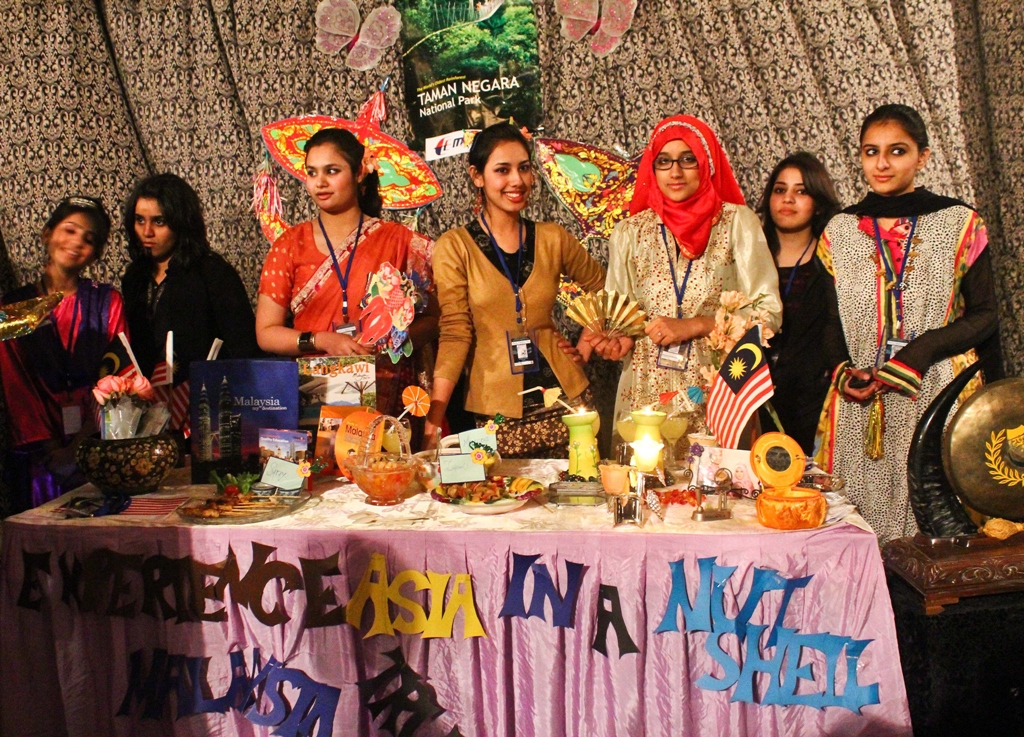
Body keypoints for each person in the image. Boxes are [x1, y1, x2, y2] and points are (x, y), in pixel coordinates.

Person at [817, 104, 999, 543]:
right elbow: (826, 323)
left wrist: (920, 352)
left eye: (896, 151)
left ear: (923, 156)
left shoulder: (960, 223)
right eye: (870, 151)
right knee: (857, 529)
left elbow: (986, 315)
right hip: (863, 399)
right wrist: (844, 372)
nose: (881, 164)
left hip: (938, 391)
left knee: (934, 527)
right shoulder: (839, 231)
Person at [588, 115, 782, 435]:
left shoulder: (736, 223)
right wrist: (615, 339)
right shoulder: (629, 233)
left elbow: (768, 314)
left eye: (688, 159)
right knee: (645, 480)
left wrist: (695, 325)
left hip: (719, 389)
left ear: (707, 163)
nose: (675, 172)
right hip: (645, 390)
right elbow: (618, 315)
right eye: (663, 161)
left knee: (717, 481)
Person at [424, 123, 606, 457]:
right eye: (502, 170)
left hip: (566, 402)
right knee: (506, 498)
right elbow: (455, 332)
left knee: (576, 496)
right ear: (477, 176)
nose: (517, 181)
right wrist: (436, 410)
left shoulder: (553, 238)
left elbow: (604, 289)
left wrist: (587, 343)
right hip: (495, 408)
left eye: (524, 168)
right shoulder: (455, 246)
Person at [256, 127, 437, 419]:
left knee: (385, 465)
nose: (320, 183)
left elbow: (435, 319)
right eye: (312, 173)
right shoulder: (290, 245)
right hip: (315, 393)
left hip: (387, 393)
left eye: (332, 171)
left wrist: (392, 343)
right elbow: (266, 333)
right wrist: (324, 340)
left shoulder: (398, 240)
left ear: (359, 173)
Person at [0, 197, 126, 511]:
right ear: (47, 234)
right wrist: (54, 449)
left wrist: (81, 443)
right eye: (69, 230)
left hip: (95, 446)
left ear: (95, 253)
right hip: (39, 459)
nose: (76, 243)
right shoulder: (12, 309)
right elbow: (17, 389)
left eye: (89, 239)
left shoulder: (107, 302)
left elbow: (117, 376)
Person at [121, 173, 259, 381]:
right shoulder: (134, 276)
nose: (147, 232)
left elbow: (244, 350)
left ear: (182, 223)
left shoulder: (213, 273)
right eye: (140, 220)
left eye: (159, 221)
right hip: (144, 401)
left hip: (203, 400)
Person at [755, 152, 843, 454]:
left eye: (800, 191)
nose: (788, 200)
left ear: (817, 202)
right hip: (755, 398)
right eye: (780, 190)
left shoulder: (835, 260)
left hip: (812, 403)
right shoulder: (749, 256)